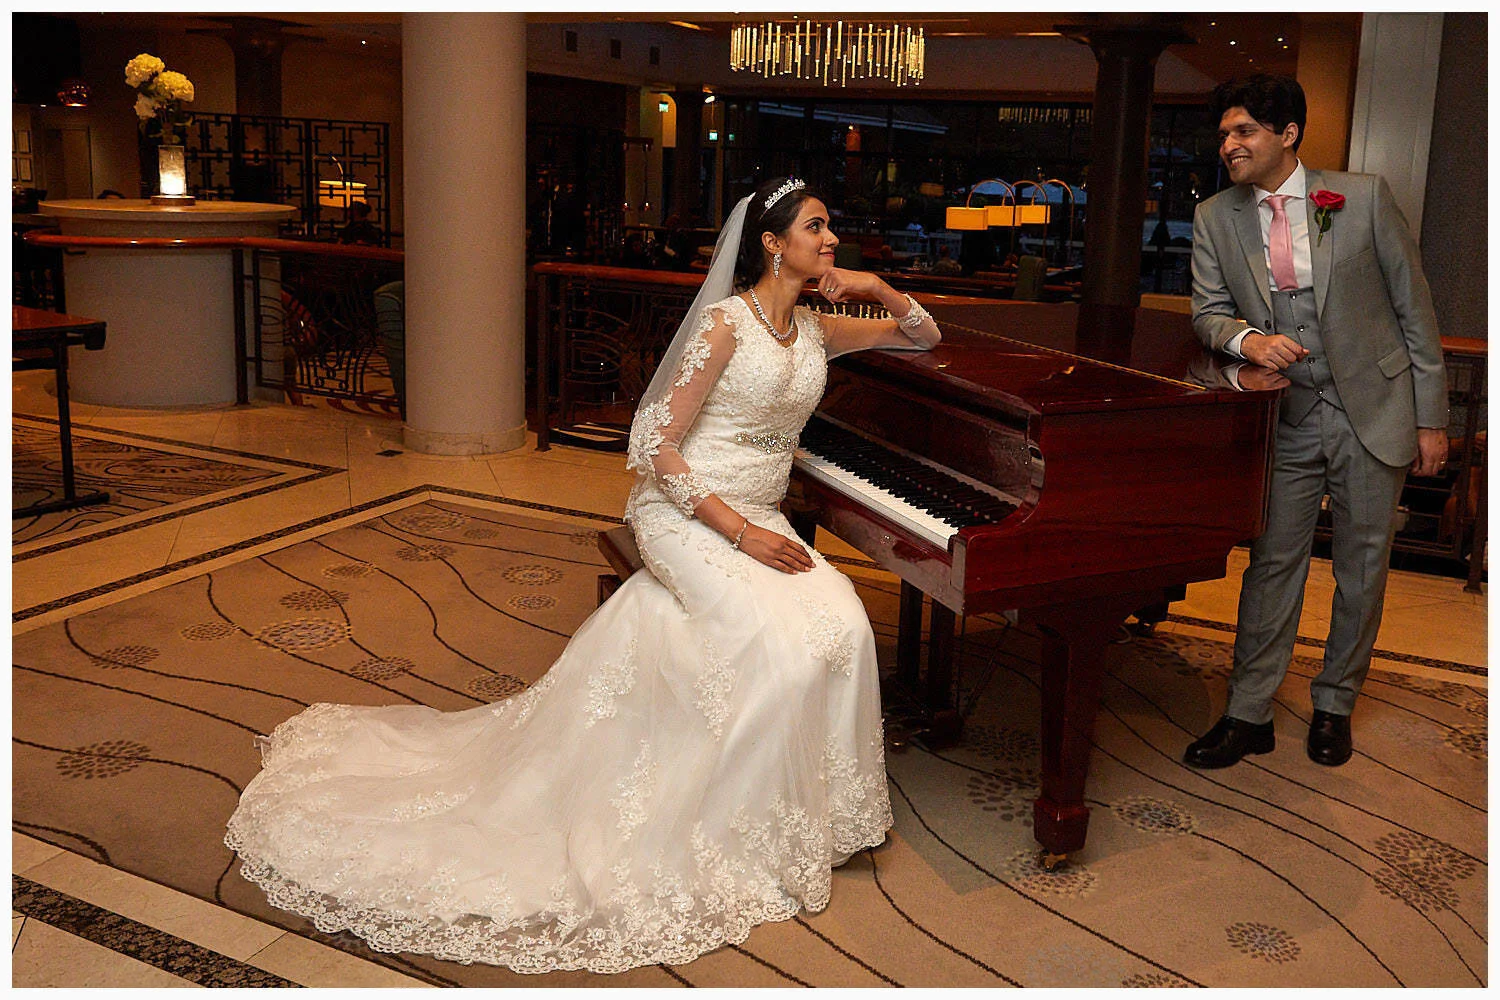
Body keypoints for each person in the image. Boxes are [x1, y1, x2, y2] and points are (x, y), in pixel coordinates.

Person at [224, 176, 943, 973]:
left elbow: (922, 337)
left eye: (831, 230)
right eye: (817, 228)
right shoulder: (724, 326)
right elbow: (654, 449)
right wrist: (736, 532)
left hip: (763, 518)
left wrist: (877, 287)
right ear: (772, 243)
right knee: (768, 640)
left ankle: (819, 821)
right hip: (687, 512)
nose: (831, 240)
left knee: (841, 623)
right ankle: (726, 826)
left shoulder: (813, 329)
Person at [1184, 75, 1447, 770]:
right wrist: (1249, 342)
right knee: (1273, 564)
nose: (1229, 146)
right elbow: (1209, 313)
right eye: (1223, 135)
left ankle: (1335, 703)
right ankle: (1249, 711)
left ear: (1287, 134)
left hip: (1377, 409)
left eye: (1243, 132)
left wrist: (1431, 419)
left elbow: (1415, 313)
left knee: (1362, 568)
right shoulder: (1216, 216)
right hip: (1290, 413)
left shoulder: (1359, 198)